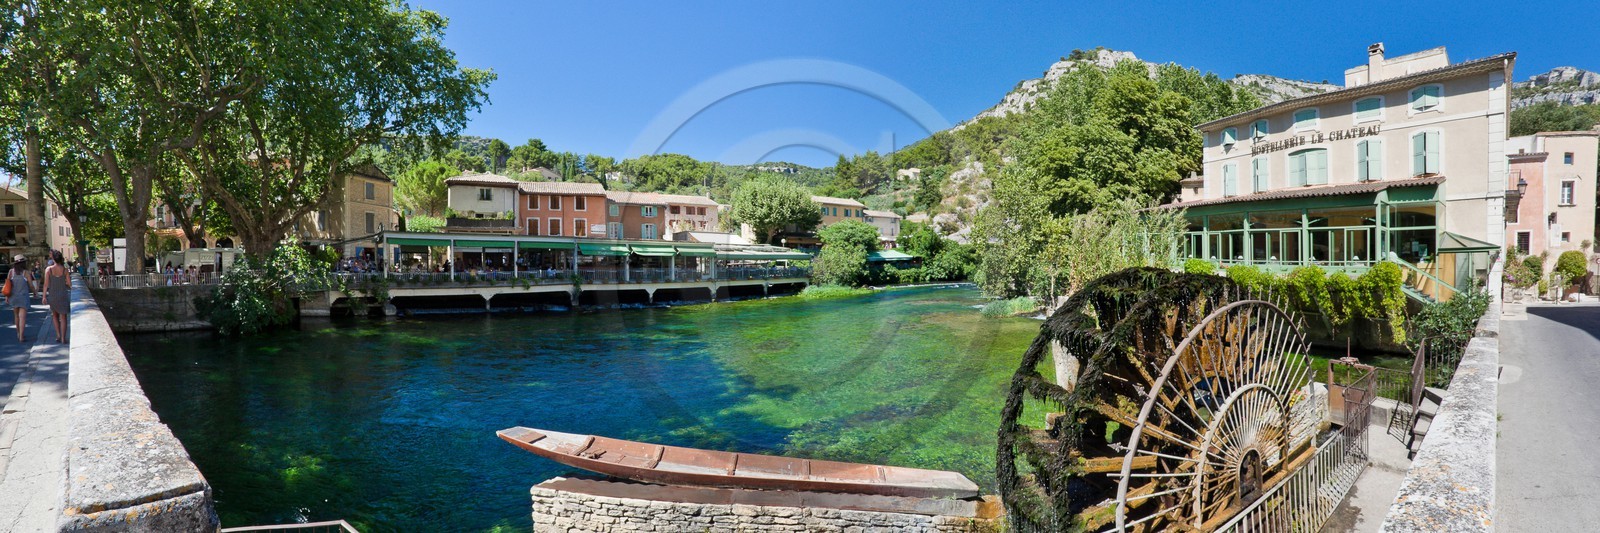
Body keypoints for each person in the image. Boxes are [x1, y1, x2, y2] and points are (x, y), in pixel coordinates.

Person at [42, 250, 69, 343]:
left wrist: (44, 296)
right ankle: (63, 338)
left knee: (55, 315)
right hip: (63, 295)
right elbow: (69, 283)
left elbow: (46, 284)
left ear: (53, 258)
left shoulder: (48, 270)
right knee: (64, 316)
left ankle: (58, 335)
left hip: (52, 295)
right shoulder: (65, 270)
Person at [8, 254, 35, 342]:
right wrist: (35, 292)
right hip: (23, 297)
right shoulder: (25, 273)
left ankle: (18, 333)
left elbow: (8, 285)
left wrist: (7, 296)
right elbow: (31, 285)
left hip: (13, 296)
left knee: (16, 316)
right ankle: (21, 336)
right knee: (22, 317)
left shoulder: (11, 272)